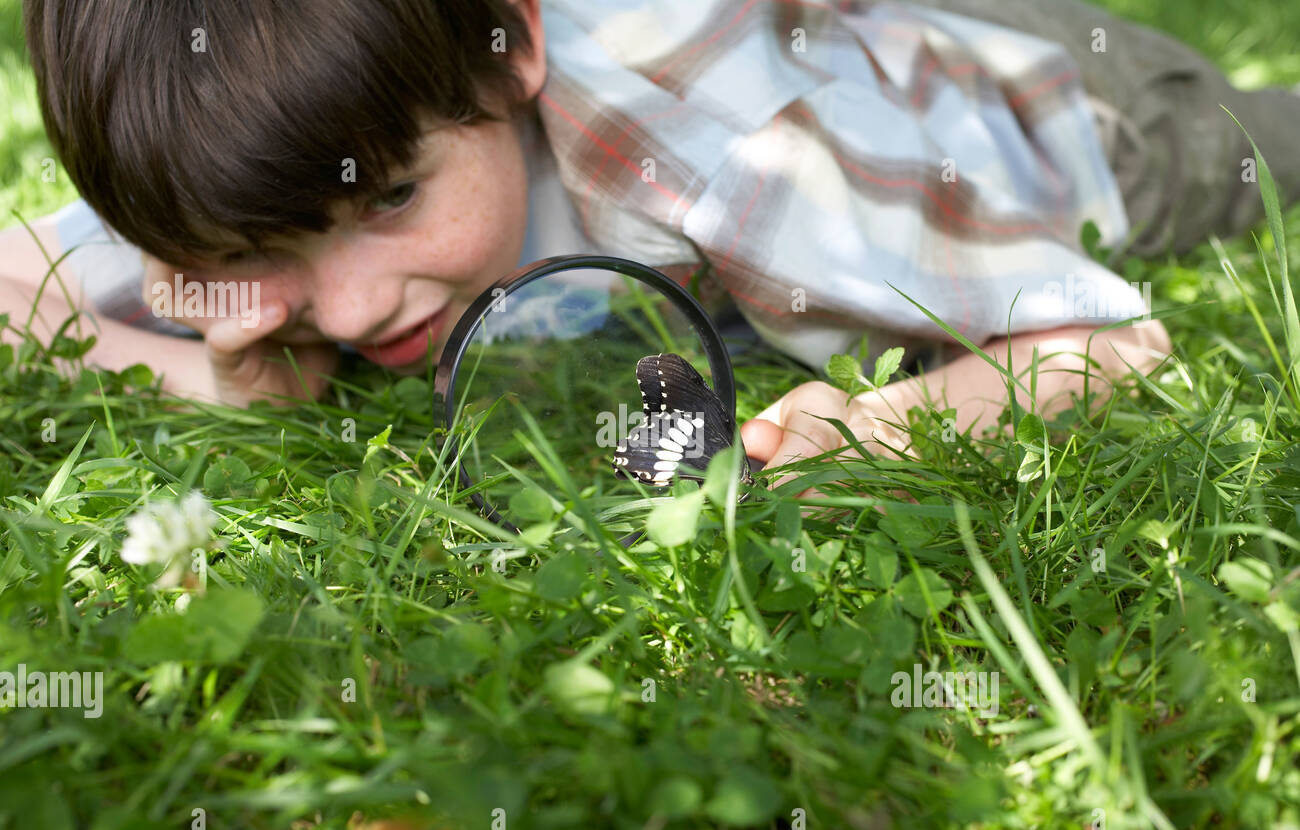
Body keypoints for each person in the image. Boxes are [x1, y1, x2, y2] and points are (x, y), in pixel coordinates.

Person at [0, 0, 1293, 471]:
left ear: (512, 52)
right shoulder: (264, 150)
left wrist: (875, 427)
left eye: (389, 199)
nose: (344, 315)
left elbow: (1110, 347)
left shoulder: (734, 162)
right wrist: (223, 377)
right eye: (262, 253)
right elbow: (25, 277)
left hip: (1056, 112)